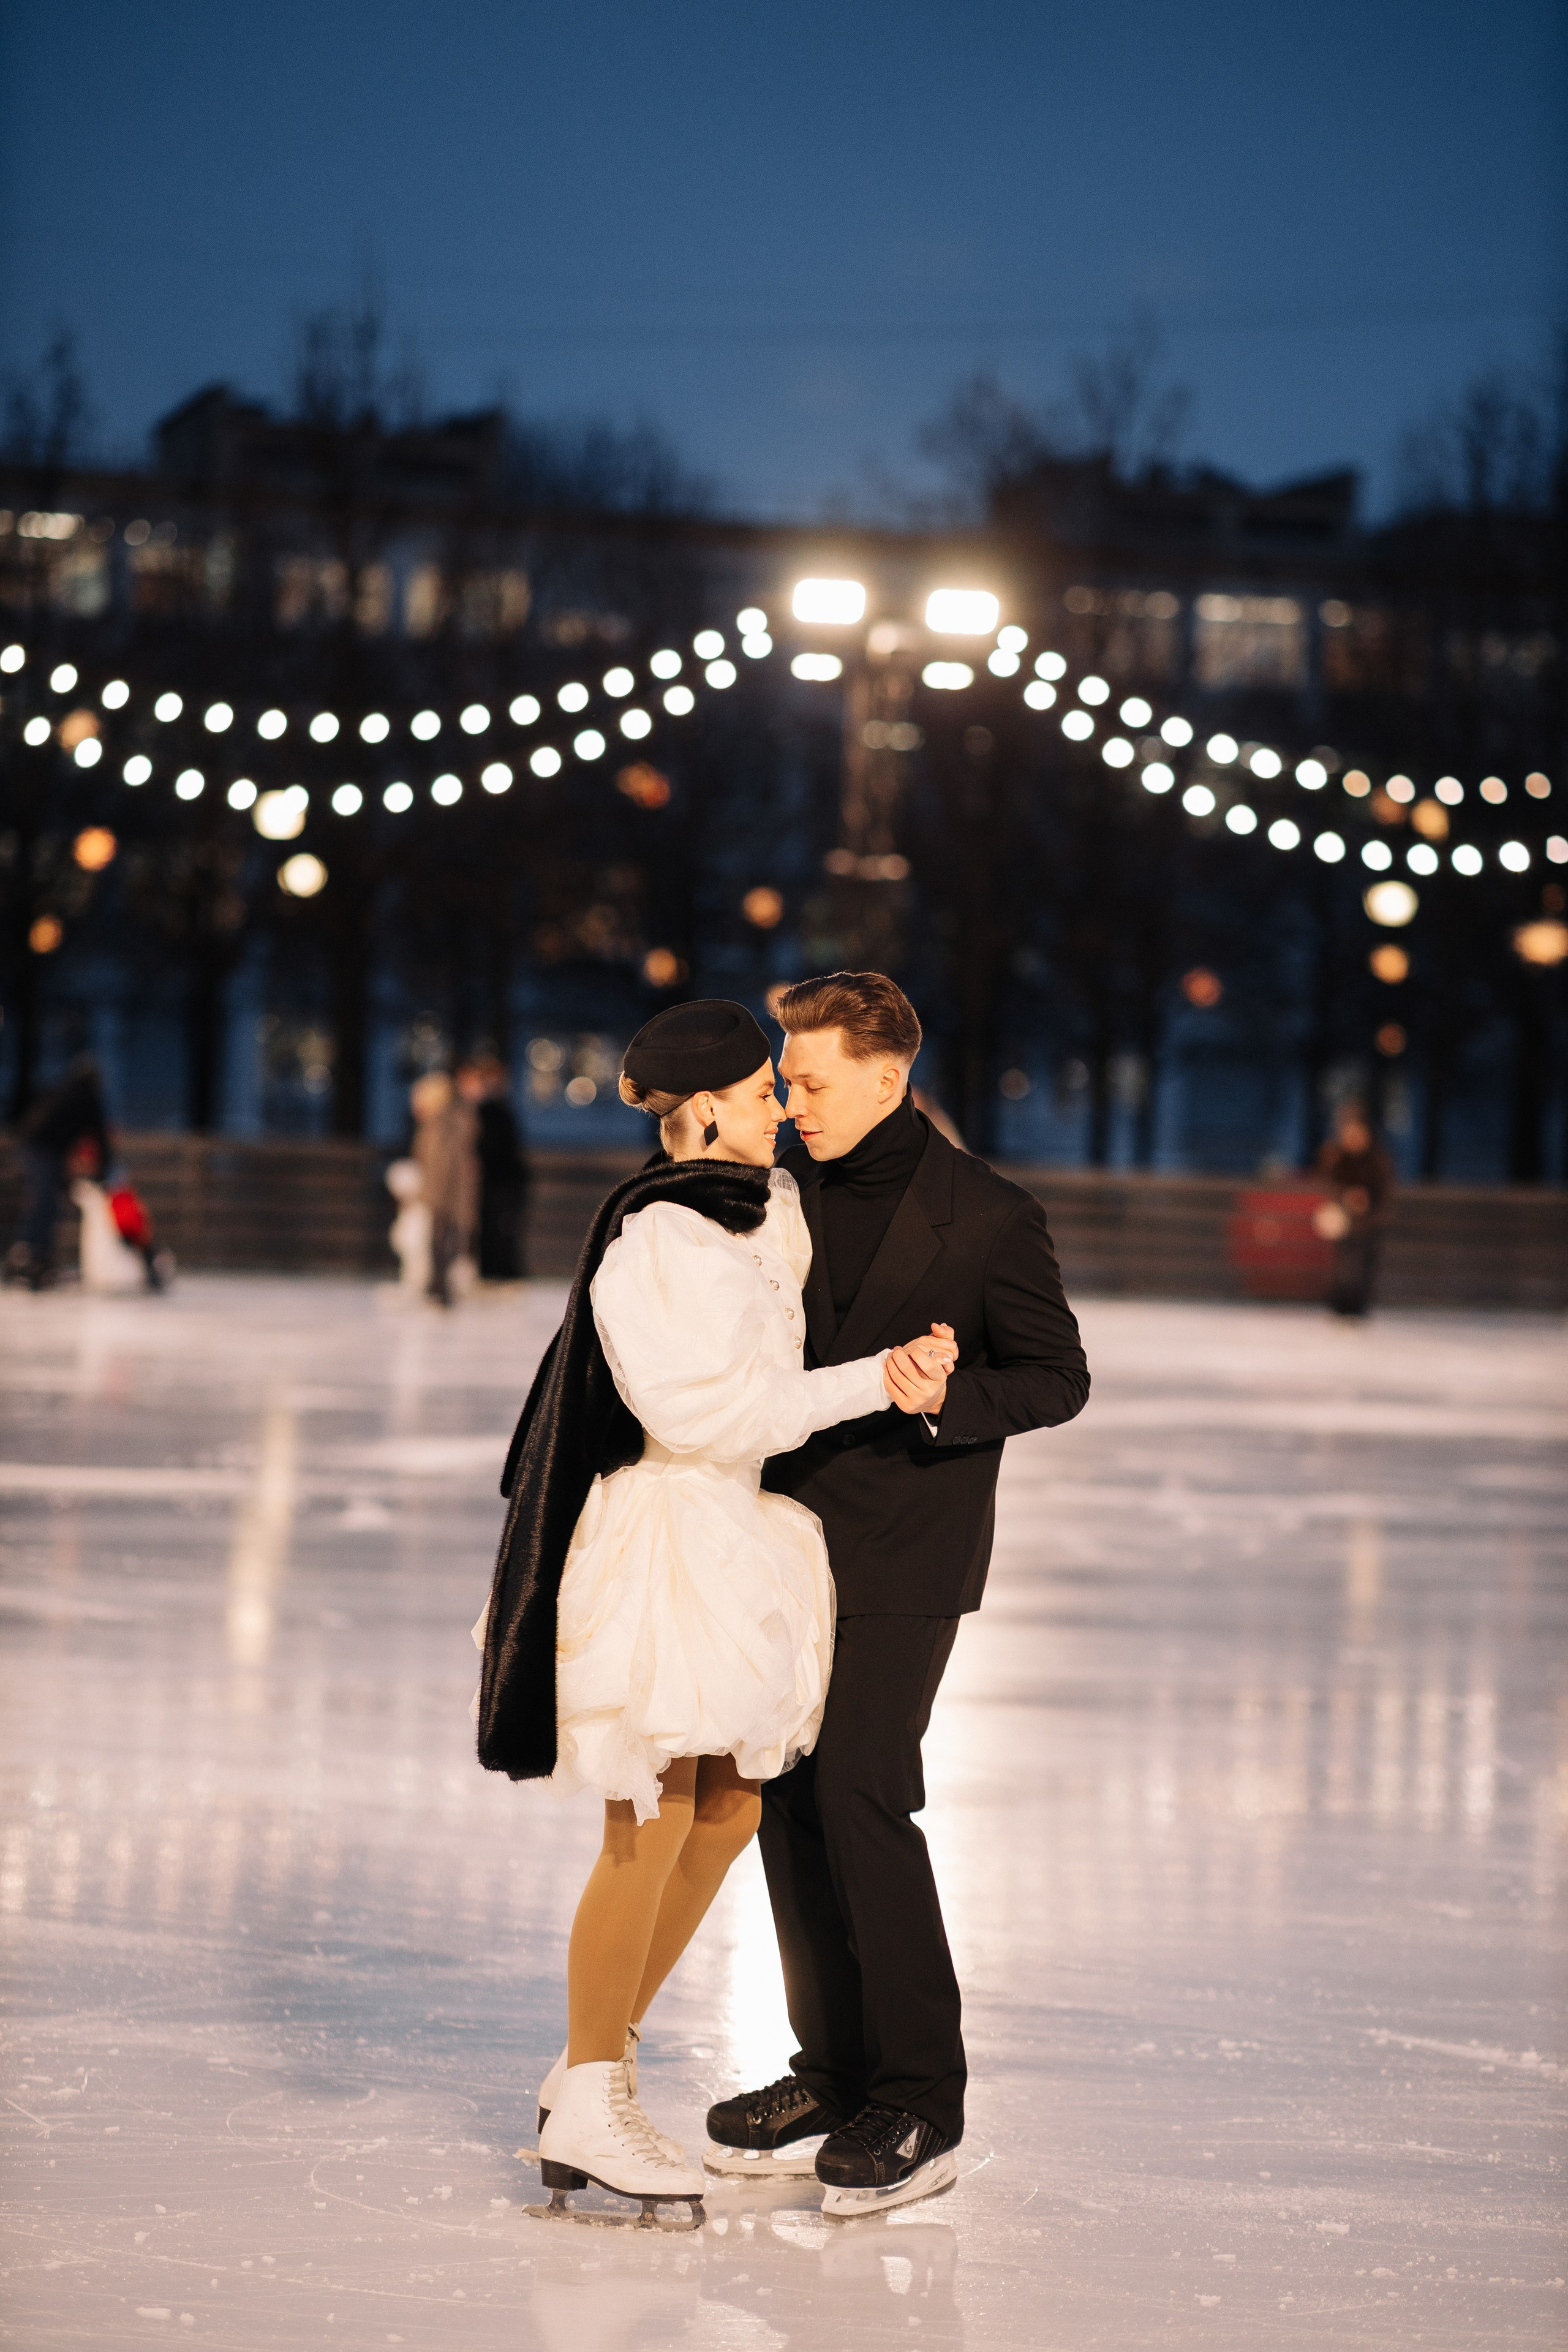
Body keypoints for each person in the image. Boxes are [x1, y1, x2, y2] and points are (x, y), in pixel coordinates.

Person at [474, 1000, 957, 2225]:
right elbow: (715, 1415)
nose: (777, 1111)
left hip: (731, 1538)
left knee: (727, 1808)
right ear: (697, 1113)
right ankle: (591, 2082)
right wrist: (876, 1384)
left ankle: (598, 2053)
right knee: (649, 1815)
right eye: (756, 1096)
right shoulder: (660, 1243)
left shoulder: (754, 1209)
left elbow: (852, 1219)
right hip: (668, 1535)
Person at [706, 970, 1090, 2217]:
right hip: (779, 1544)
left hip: (906, 1549)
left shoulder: (985, 1215)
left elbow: (1054, 1377)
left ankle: (921, 2097)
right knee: (790, 1803)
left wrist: (944, 1398)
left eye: (811, 1081)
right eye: (785, 1079)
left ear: (887, 1077)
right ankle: (831, 2069)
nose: (792, 1099)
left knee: (862, 1787)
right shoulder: (773, 1196)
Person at [6, 1057, 111, 1291]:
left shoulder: (62, 1090)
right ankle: (27, 1254)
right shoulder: (86, 1098)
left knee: (50, 1204)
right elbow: (99, 1137)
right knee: (46, 1203)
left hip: (35, 1147)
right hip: (41, 1150)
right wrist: (104, 1173)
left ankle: (38, 1256)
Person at [1316, 1102, 1395, 1318]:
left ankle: (1358, 1307)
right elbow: (1328, 1185)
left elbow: (1384, 1194)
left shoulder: (1379, 1160)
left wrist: (1367, 1206)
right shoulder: (1334, 1155)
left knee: (1363, 1264)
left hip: (1370, 1221)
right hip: (1343, 1219)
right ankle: (1339, 1305)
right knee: (1343, 1265)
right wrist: (1346, 1198)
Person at [457, 1056, 530, 1282]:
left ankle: (500, 1275)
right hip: (490, 1185)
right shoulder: (477, 1113)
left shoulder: (497, 1114)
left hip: (500, 1185)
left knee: (501, 1236)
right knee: (490, 1236)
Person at [409, 1070, 479, 1308]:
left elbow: (443, 1168)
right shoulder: (442, 1123)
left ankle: (439, 1290)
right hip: (445, 1196)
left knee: (442, 1242)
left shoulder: (441, 1125)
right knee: (439, 1243)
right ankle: (437, 1288)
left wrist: (433, 1200)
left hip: (445, 1197)